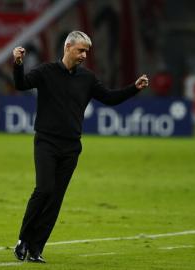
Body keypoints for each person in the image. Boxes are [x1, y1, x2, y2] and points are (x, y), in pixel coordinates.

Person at [12, 30, 149, 263]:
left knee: (55, 199)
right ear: (67, 47)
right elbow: (21, 84)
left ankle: (37, 248)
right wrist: (17, 63)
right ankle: (23, 240)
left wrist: (134, 88)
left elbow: (109, 98)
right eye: (81, 50)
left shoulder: (87, 78)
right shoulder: (46, 72)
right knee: (44, 189)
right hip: (46, 142)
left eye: (87, 51)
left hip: (71, 147)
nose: (84, 55)